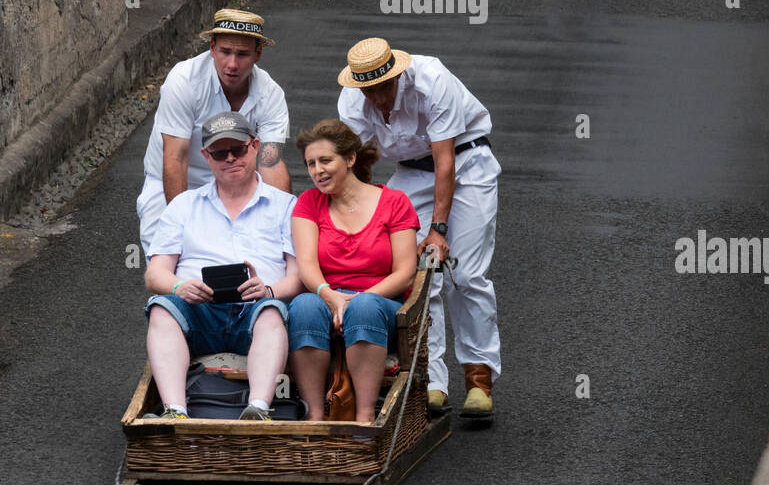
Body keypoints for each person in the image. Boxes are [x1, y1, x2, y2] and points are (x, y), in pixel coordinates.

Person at [337, 38, 501, 419]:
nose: (378, 98)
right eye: (369, 90)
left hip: (466, 160)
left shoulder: (431, 80)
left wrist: (438, 230)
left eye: (384, 87)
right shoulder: (351, 101)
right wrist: (356, 214)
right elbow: (355, 163)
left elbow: (445, 161)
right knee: (416, 275)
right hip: (410, 174)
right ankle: (432, 381)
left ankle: (478, 379)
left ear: (396, 74)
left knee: (465, 272)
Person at [143, 111, 303, 421]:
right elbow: (155, 273)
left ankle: (258, 408)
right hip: (198, 310)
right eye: (219, 152)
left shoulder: (285, 205)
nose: (230, 158)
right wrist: (179, 286)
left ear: (254, 146)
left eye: (238, 149)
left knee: (271, 311)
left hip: (255, 309)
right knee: (161, 307)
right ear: (206, 156)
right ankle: (175, 411)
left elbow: (299, 277)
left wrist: (269, 289)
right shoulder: (183, 205)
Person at [288, 119, 420, 424]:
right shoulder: (309, 202)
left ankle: (364, 418)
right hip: (327, 297)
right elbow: (307, 263)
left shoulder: (394, 203)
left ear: (350, 159)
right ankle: (315, 416)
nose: (317, 171)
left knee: (364, 306)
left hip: (382, 301)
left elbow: (405, 272)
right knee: (304, 306)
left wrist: (354, 301)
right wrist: (332, 298)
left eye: (325, 160)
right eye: (310, 164)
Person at [136, 9, 291, 258]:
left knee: (250, 269)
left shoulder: (270, 94)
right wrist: (184, 223)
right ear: (211, 47)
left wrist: (284, 225)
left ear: (258, 54)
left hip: (237, 186)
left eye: (242, 54)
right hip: (175, 182)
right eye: (225, 52)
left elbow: (270, 162)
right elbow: (176, 158)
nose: (232, 64)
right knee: (171, 270)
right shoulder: (184, 81)